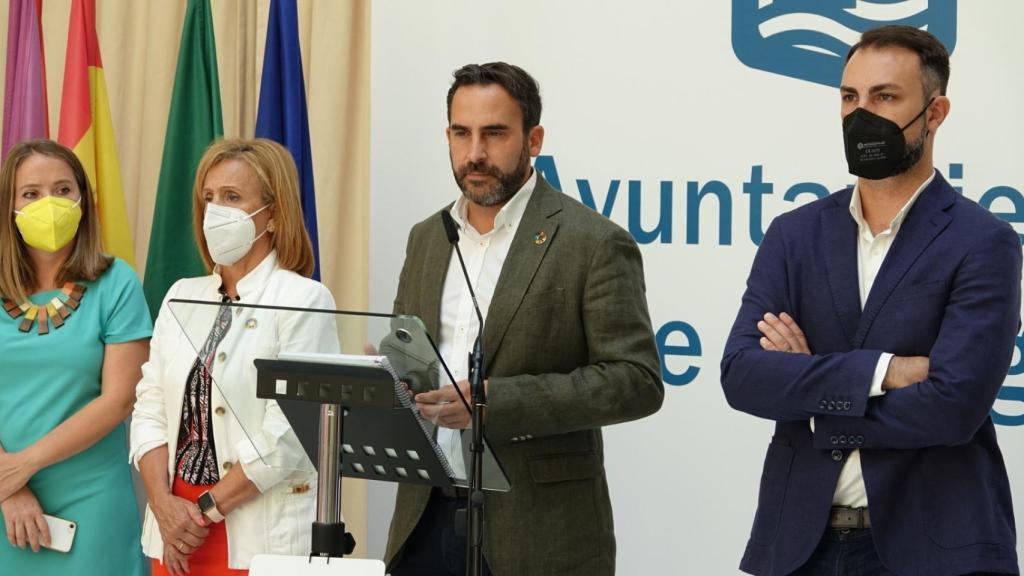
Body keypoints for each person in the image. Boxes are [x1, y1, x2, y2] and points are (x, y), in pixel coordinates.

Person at [721, 25, 1020, 576]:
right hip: (797, 547)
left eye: (885, 97)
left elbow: (954, 408)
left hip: (932, 549)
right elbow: (742, 374)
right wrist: (885, 371)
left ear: (935, 113)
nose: (862, 115)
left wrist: (817, 407)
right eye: (849, 97)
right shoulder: (795, 235)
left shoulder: (984, 242)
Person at [384, 62, 664, 576]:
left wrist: (493, 401)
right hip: (424, 518)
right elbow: (411, 355)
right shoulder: (427, 237)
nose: (475, 154)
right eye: (461, 133)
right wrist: (386, 374)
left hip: (540, 533)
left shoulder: (593, 242)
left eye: (494, 133)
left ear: (533, 139)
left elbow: (636, 382)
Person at [130, 138, 338, 575]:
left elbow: (290, 436)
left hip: (250, 528)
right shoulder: (181, 296)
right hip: (173, 529)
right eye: (208, 198)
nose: (215, 212)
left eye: (232, 198)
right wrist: (164, 506)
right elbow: (149, 408)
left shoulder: (303, 299)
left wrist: (203, 511)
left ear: (275, 213)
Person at [0, 139, 151, 573]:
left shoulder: (116, 281)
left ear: (82, 199)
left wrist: (22, 466)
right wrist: (10, 487)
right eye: (31, 193)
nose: (49, 202)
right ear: (9, 206)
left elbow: (119, 400)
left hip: (91, 497)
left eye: (63, 190)